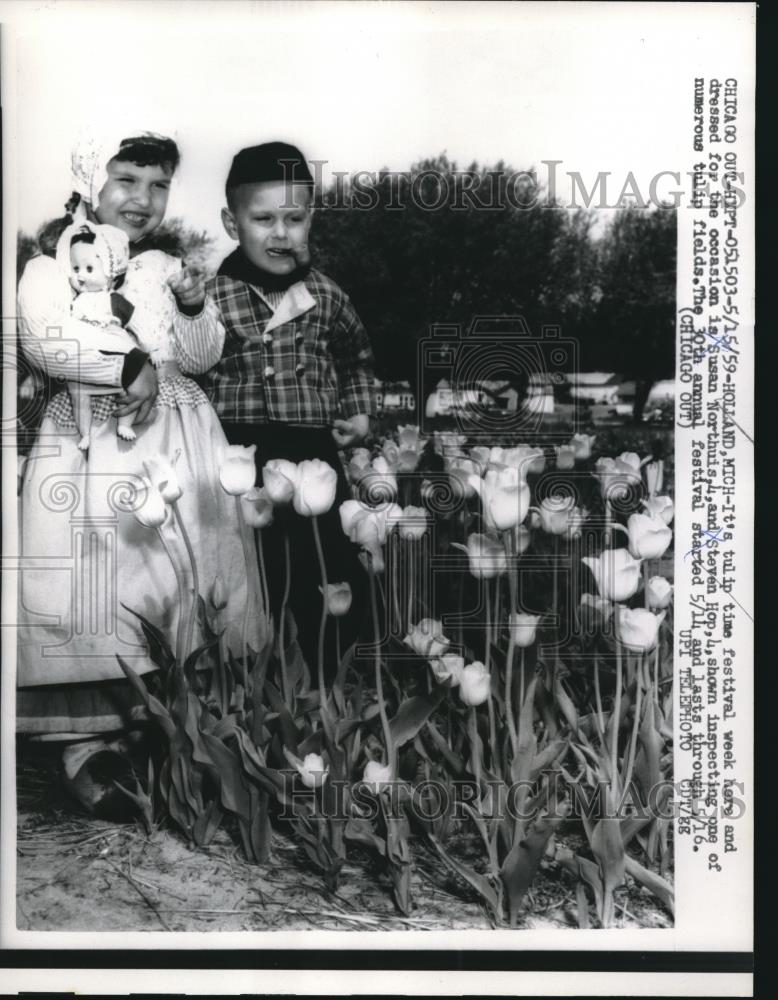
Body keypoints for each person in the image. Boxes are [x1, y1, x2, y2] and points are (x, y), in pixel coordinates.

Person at [17, 128, 267, 817]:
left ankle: (168, 732)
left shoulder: (163, 266)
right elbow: (46, 336)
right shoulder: (51, 266)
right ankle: (89, 745)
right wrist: (126, 366)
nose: (143, 198)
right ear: (92, 185)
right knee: (99, 584)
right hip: (94, 439)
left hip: (180, 435)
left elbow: (202, 354)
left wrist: (192, 306)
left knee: (179, 576)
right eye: (126, 181)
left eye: (158, 185)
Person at [170, 141, 376, 675]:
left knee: (324, 562)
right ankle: (251, 680)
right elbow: (190, 368)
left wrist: (358, 412)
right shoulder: (210, 296)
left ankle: (330, 676)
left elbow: (357, 356)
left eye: (294, 218)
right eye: (262, 218)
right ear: (231, 222)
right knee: (250, 569)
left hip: (313, 456)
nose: (280, 233)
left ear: (311, 220)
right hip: (238, 455)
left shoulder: (327, 296)